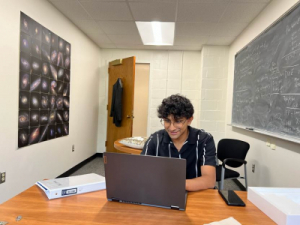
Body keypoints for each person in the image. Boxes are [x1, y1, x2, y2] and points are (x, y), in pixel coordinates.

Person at [141, 94, 216, 191]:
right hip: (162, 193)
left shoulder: (204, 139)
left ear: (189, 120)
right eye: (167, 121)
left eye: (178, 121)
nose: (171, 128)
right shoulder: (155, 139)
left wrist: (174, 184)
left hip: (196, 196)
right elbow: (142, 173)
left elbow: (209, 180)